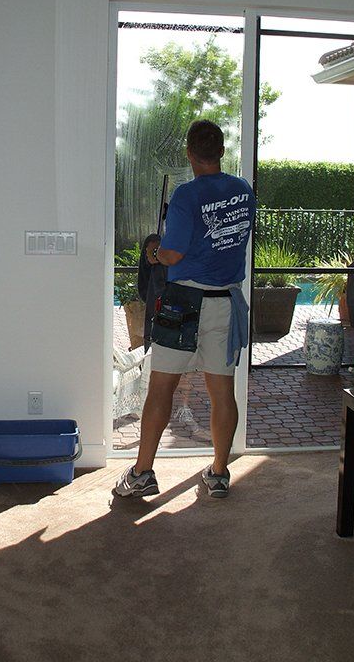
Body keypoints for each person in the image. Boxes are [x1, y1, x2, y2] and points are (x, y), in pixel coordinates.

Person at [115, 119, 256, 499]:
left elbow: (173, 253)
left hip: (184, 304)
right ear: (221, 151)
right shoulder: (243, 190)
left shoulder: (186, 195)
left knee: (161, 389)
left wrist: (153, 252)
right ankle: (219, 472)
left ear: (190, 154)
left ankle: (142, 473)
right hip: (225, 301)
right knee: (222, 391)